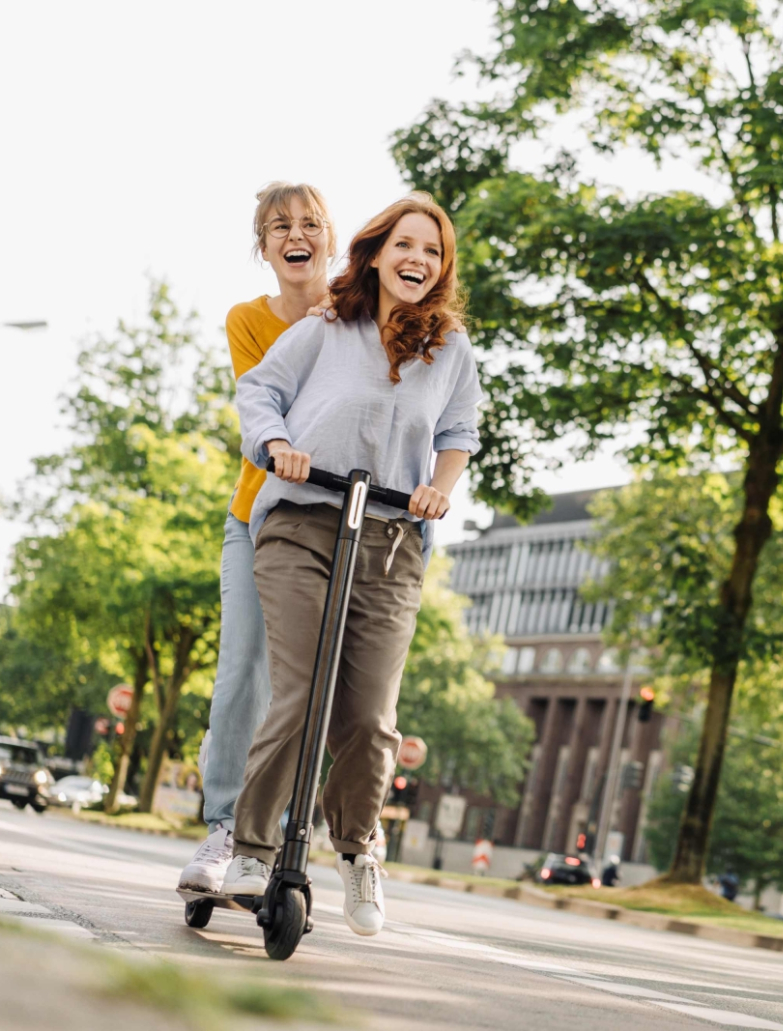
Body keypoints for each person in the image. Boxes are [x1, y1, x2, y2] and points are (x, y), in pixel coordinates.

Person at [219, 193, 481, 937]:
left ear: (442, 267)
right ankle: (252, 848)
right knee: (301, 694)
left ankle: (359, 849)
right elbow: (260, 389)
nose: (417, 260)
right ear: (376, 253)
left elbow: (458, 431)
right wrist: (277, 446)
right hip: (303, 522)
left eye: (431, 251)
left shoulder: (450, 349)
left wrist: (439, 487)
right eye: (405, 245)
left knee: (369, 719)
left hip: (391, 539)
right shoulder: (328, 325)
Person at [179, 183, 336, 893]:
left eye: (309, 223)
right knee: (243, 669)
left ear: (330, 239)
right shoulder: (248, 319)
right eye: (279, 227)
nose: (295, 234)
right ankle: (223, 825)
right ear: (264, 247)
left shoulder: (360, 313)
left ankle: (281, 829)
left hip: (332, 522)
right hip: (258, 516)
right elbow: (265, 404)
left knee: (305, 684)